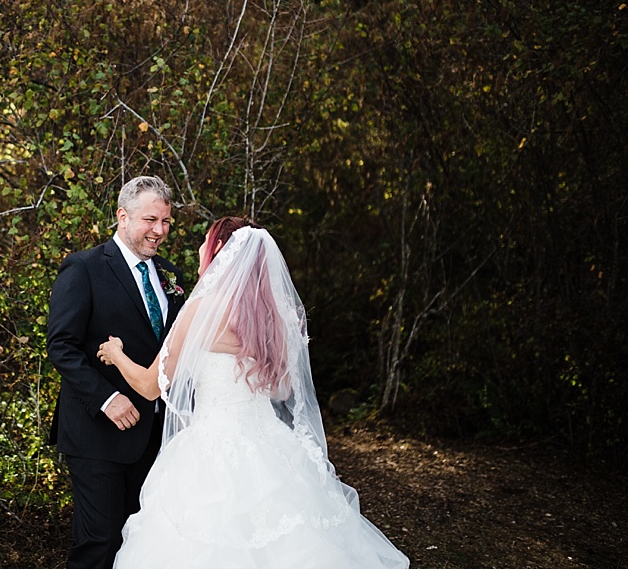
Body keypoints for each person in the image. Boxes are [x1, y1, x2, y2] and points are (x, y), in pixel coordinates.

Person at [96, 217, 410, 568]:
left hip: (211, 450)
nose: (200, 248)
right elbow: (283, 388)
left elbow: (150, 386)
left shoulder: (203, 311)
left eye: (205, 241)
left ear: (219, 250)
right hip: (273, 447)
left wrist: (116, 355)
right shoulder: (275, 316)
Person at [46, 175, 187, 568]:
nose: (159, 231)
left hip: (157, 437)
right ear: (122, 217)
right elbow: (61, 345)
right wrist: (107, 398)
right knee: (99, 544)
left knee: (141, 545)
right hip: (97, 437)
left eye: (165, 222)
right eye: (150, 220)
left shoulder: (170, 275)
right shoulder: (84, 268)